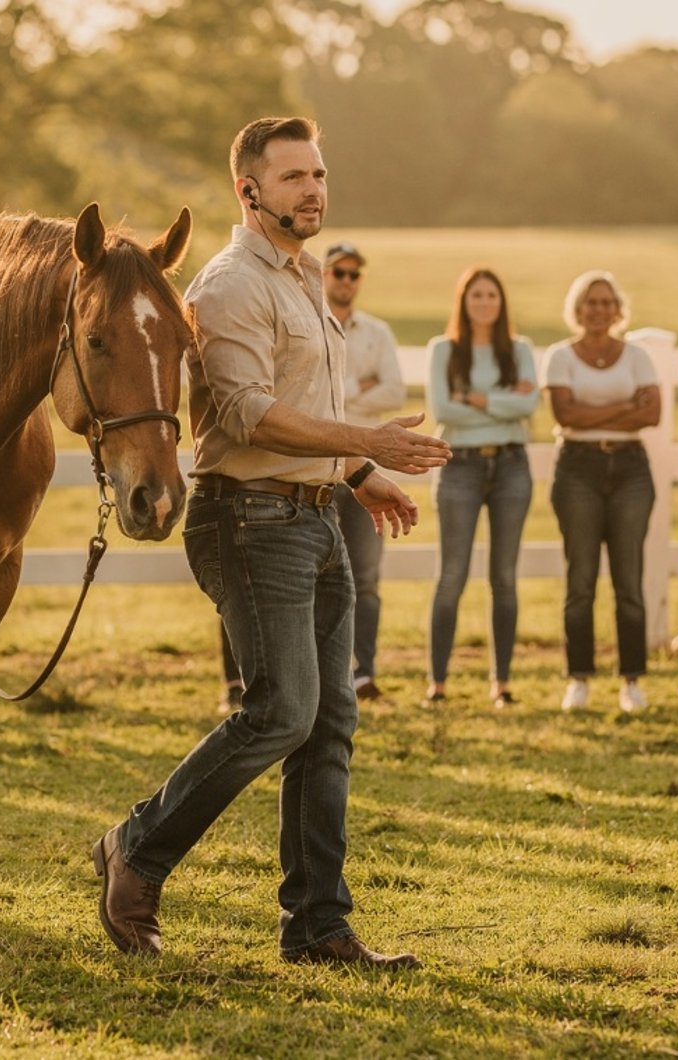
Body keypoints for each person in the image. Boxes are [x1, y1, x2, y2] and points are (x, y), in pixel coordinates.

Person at [92, 116, 449, 968]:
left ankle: (318, 927)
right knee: (281, 711)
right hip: (248, 521)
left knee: (327, 724)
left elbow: (296, 401)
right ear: (248, 191)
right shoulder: (227, 286)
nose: (314, 190)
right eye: (294, 177)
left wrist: (358, 478)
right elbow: (247, 412)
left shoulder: (303, 278)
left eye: (319, 174)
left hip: (315, 516)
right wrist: (367, 440)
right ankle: (135, 850)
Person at [544, 271, 660, 713]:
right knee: (581, 579)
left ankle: (631, 680)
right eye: (591, 302)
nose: (599, 309)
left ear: (618, 309)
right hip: (578, 469)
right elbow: (564, 414)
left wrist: (592, 413)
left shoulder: (638, 356)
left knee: (629, 579)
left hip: (631, 469)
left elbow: (652, 414)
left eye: (606, 301)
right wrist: (623, 407)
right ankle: (579, 678)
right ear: (579, 309)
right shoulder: (560, 356)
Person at [424, 268, 538, 709]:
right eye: (477, 295)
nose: (485, 302)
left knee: (504, 577)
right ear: (464, 301)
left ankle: (502, 682)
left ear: (501, 301)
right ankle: (438, 682)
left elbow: (530, 405)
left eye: (492, 295)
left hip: (512, 465)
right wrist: (504, 403)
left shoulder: (520, 349)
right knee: (451, 576)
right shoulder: (443, 350)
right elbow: (442, 409)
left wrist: (473, 397)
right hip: (461, 467)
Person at [326, 241, 408, 701]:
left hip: (363, 465)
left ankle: (363, 672)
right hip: (317, 465)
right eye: (339, 272)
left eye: (354, 274)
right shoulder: (309, 325)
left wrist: (338, 397)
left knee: (367, 575)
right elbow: (308, 395)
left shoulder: (377, 332)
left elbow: (394, 392)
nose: (346, 281)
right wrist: (360, 387)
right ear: (325, 275)